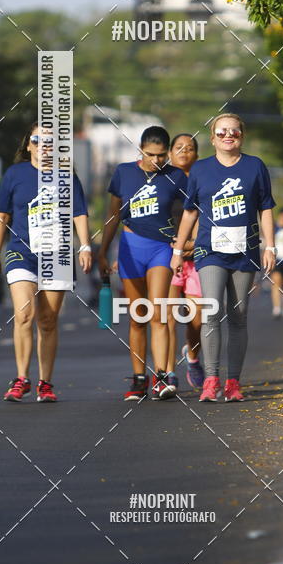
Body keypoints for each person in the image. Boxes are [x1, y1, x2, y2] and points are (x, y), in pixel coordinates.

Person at [171, 113, 276, 402]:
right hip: (209, 250)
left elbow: (265, 207)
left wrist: (270, 246)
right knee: (212, 311)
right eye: (222, 132)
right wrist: (179, 250)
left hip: (245, 251)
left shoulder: (255, 166)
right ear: (213, 138)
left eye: (234, 131)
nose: (228, 135)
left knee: (239, 317)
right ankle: (211, 379)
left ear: (242, 135)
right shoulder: (202, 170)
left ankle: (233, 383)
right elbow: (190, 211)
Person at [0, 123, 92, 402]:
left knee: (47, 320)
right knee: (24, 314)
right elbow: (2, 216)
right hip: (21, 251)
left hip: (56, 253)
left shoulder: (67, 177)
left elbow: (79, 214)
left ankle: (45, 382)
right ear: (29, 145)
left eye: (50, 141)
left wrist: (84, 246)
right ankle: (21, 378)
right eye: (37, 140)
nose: (44, 145)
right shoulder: (15, 174)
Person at [97, 126, 187, 402]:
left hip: (161, 248)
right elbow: (113, 216)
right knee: (138, 316)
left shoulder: (176, 177)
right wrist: (102, 252)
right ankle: (139, 379)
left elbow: (188, 215)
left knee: (159, 312)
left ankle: (161, 376)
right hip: (130, 246)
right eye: (151, 155)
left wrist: (182, 247)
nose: (157, 161)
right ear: (140, 149)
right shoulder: (124, 173)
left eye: (162, 155)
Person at [166, 133, 205, 391]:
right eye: (178, 147)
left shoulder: (202, 180)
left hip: (195, 255)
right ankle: (168, 372)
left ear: (196, 155)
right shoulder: (160, 181)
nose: (184, 151)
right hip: (166, 255)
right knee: (167, 316)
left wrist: (192, 244)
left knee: (196, 318)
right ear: (169, 153)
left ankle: (192, 356)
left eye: (189, 148)